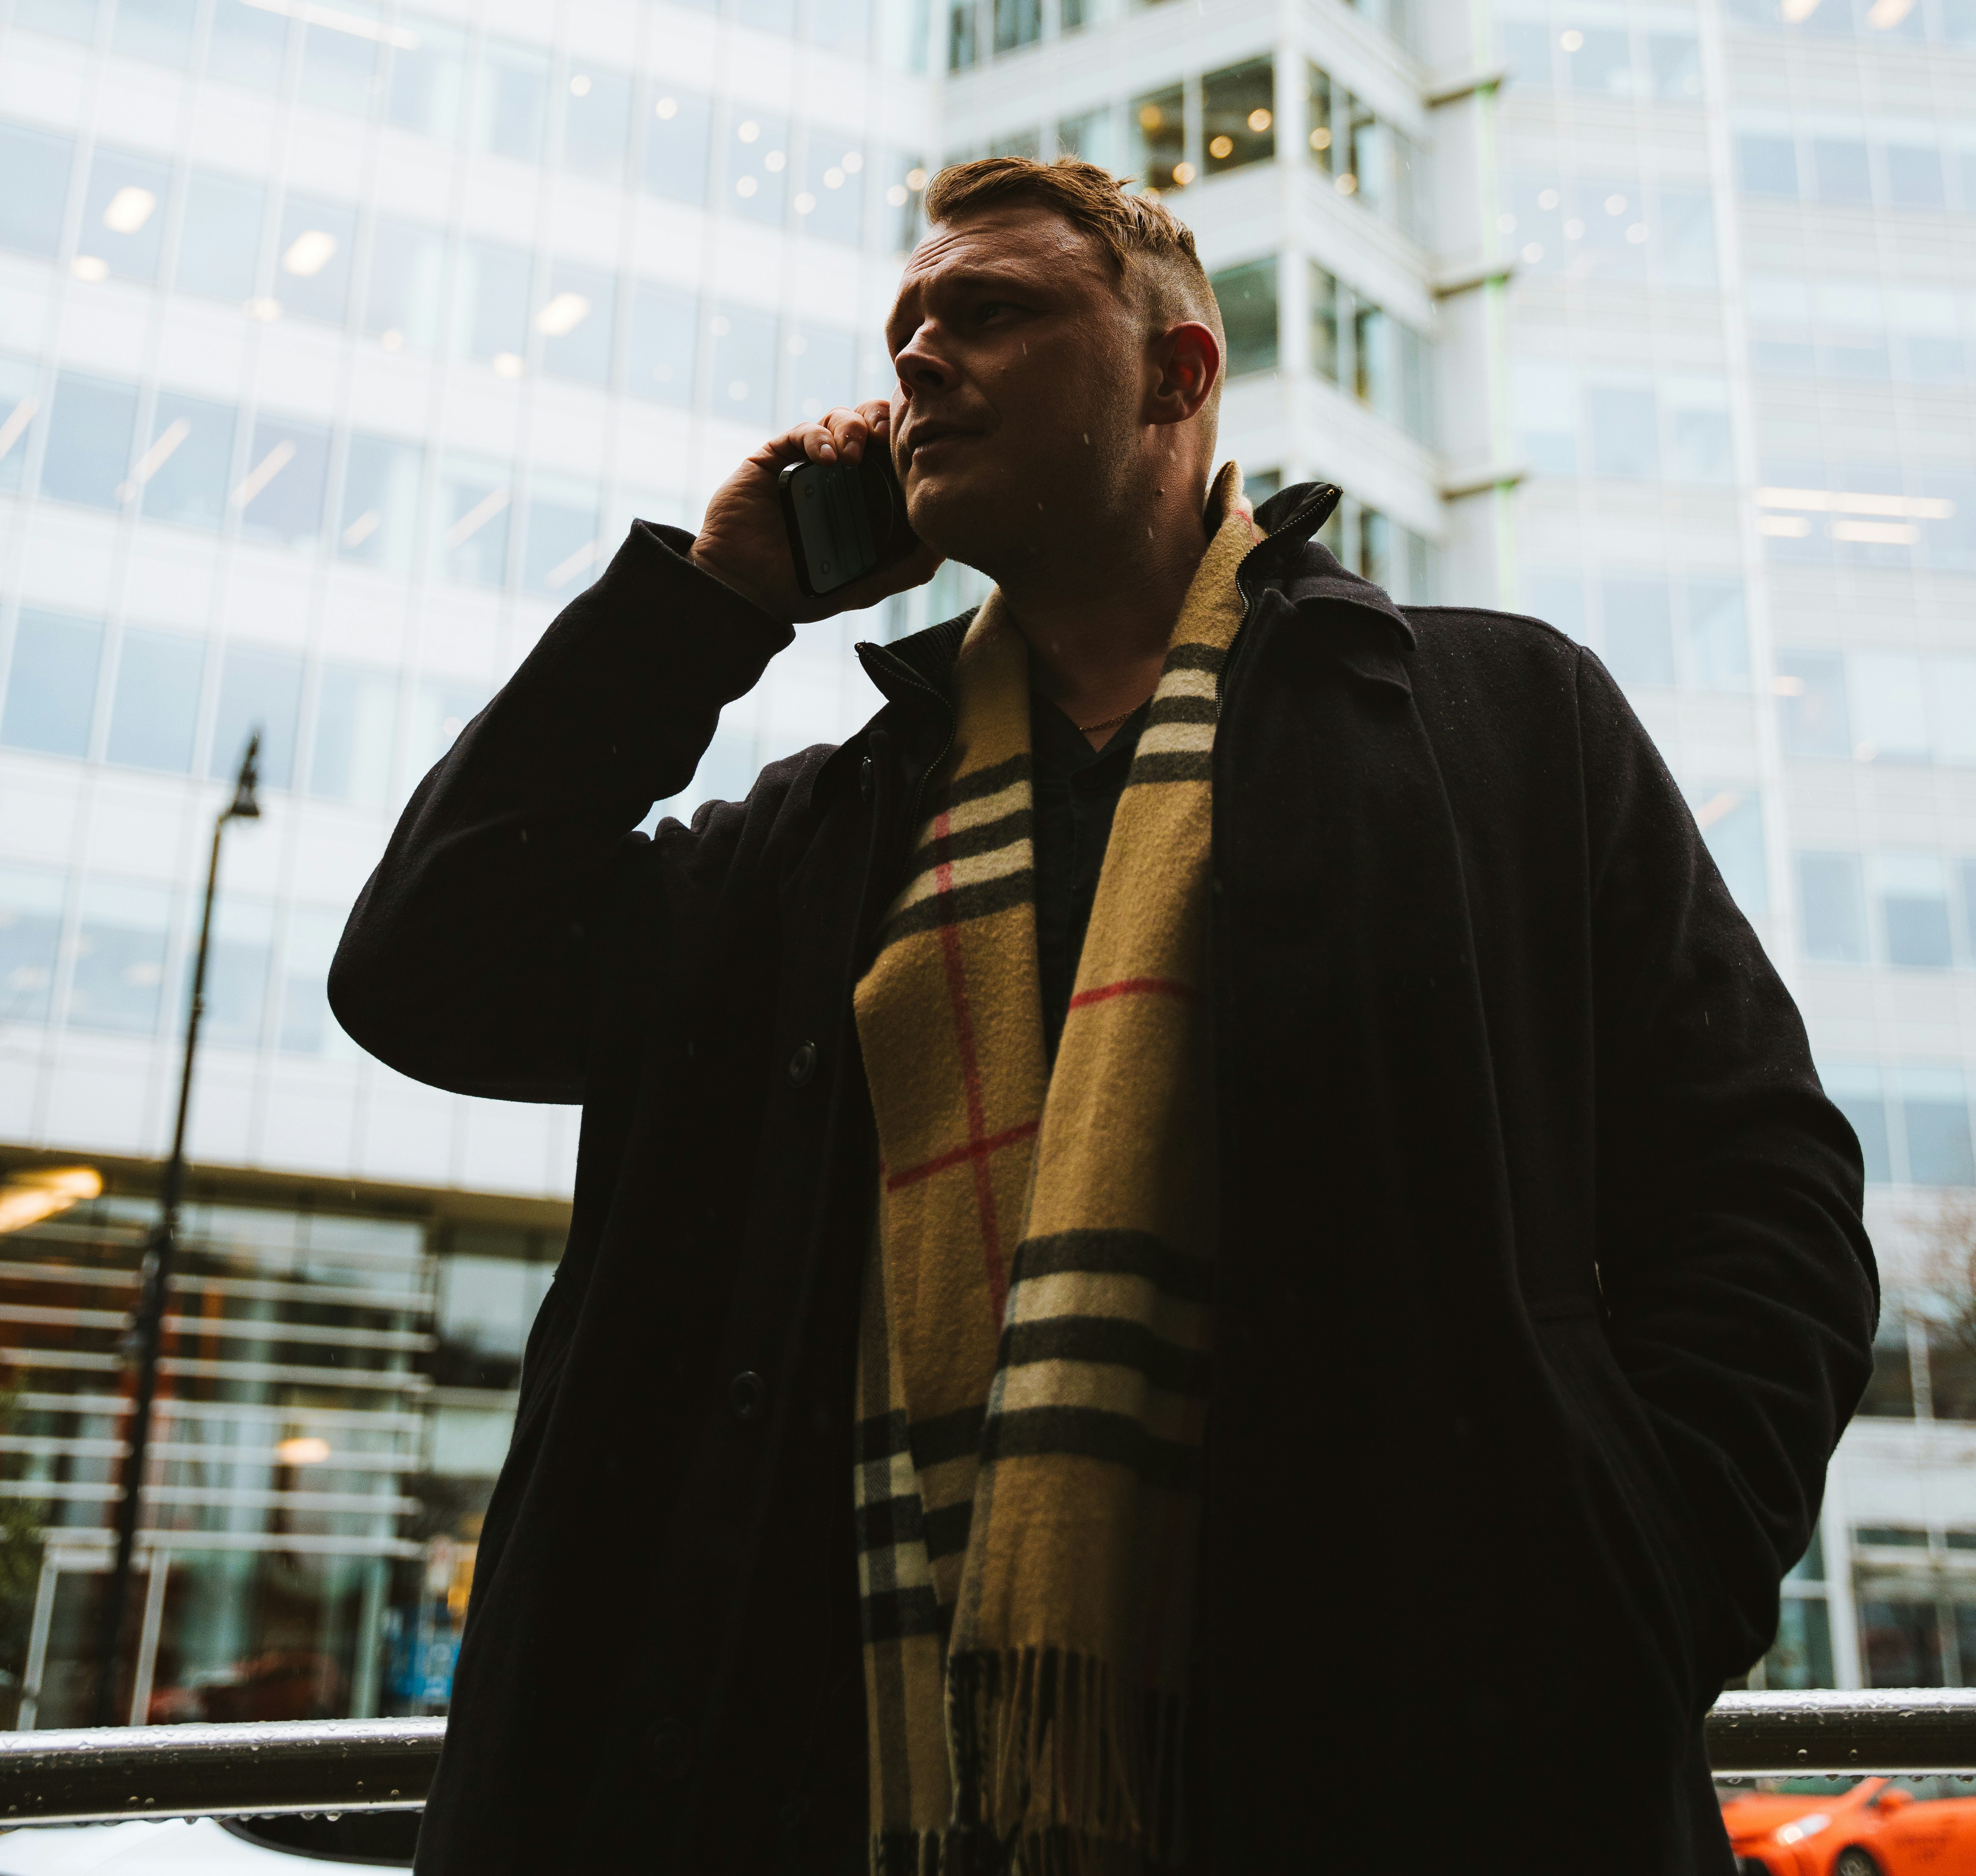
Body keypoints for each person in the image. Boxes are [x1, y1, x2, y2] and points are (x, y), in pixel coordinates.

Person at [331, 156, 1877, 1876]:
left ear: (1177, 373)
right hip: (850, 1777)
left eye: (986, 312)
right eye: (906, 326)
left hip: (1402, 1769)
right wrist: (709, 603)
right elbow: (429, 966)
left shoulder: (1495, 725)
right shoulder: (817, 836)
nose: (916, 358)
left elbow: (1757, 1195)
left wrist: (1632, 1596)